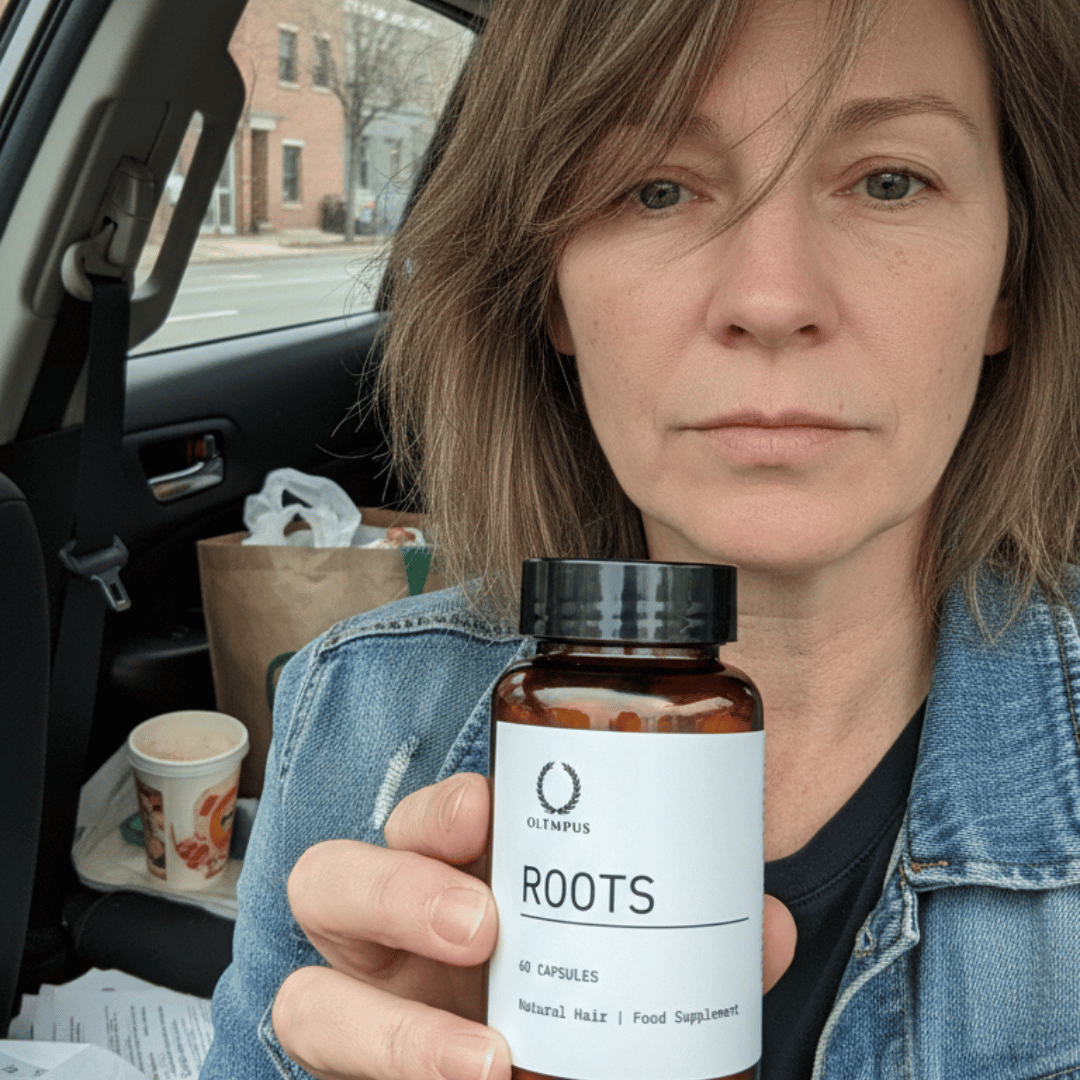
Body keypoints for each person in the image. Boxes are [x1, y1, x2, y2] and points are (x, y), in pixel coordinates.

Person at [200, 0, 1080, 1076]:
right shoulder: (362, 718)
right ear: (554, 291)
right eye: (656, 189)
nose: (772, 298)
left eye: (890, 181)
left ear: (1010, 277)